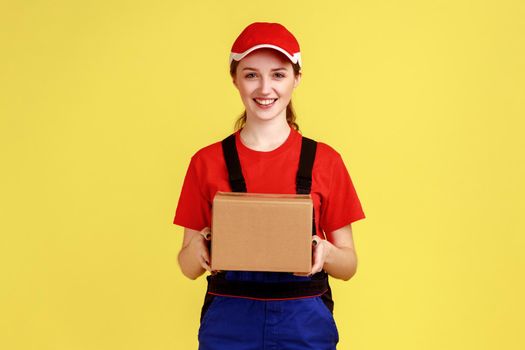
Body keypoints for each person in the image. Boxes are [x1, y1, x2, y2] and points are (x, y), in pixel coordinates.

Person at [173, 22, 366, 350]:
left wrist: (325, 252)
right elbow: (186, 266)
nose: (265, 88)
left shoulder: (325, 160)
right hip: (228, 328)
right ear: (235, 79)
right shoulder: (206, 161)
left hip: (304, 327)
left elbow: (348, 266)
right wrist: (202, 248)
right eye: (251, 75)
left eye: (278, 74)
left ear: (297, 78)